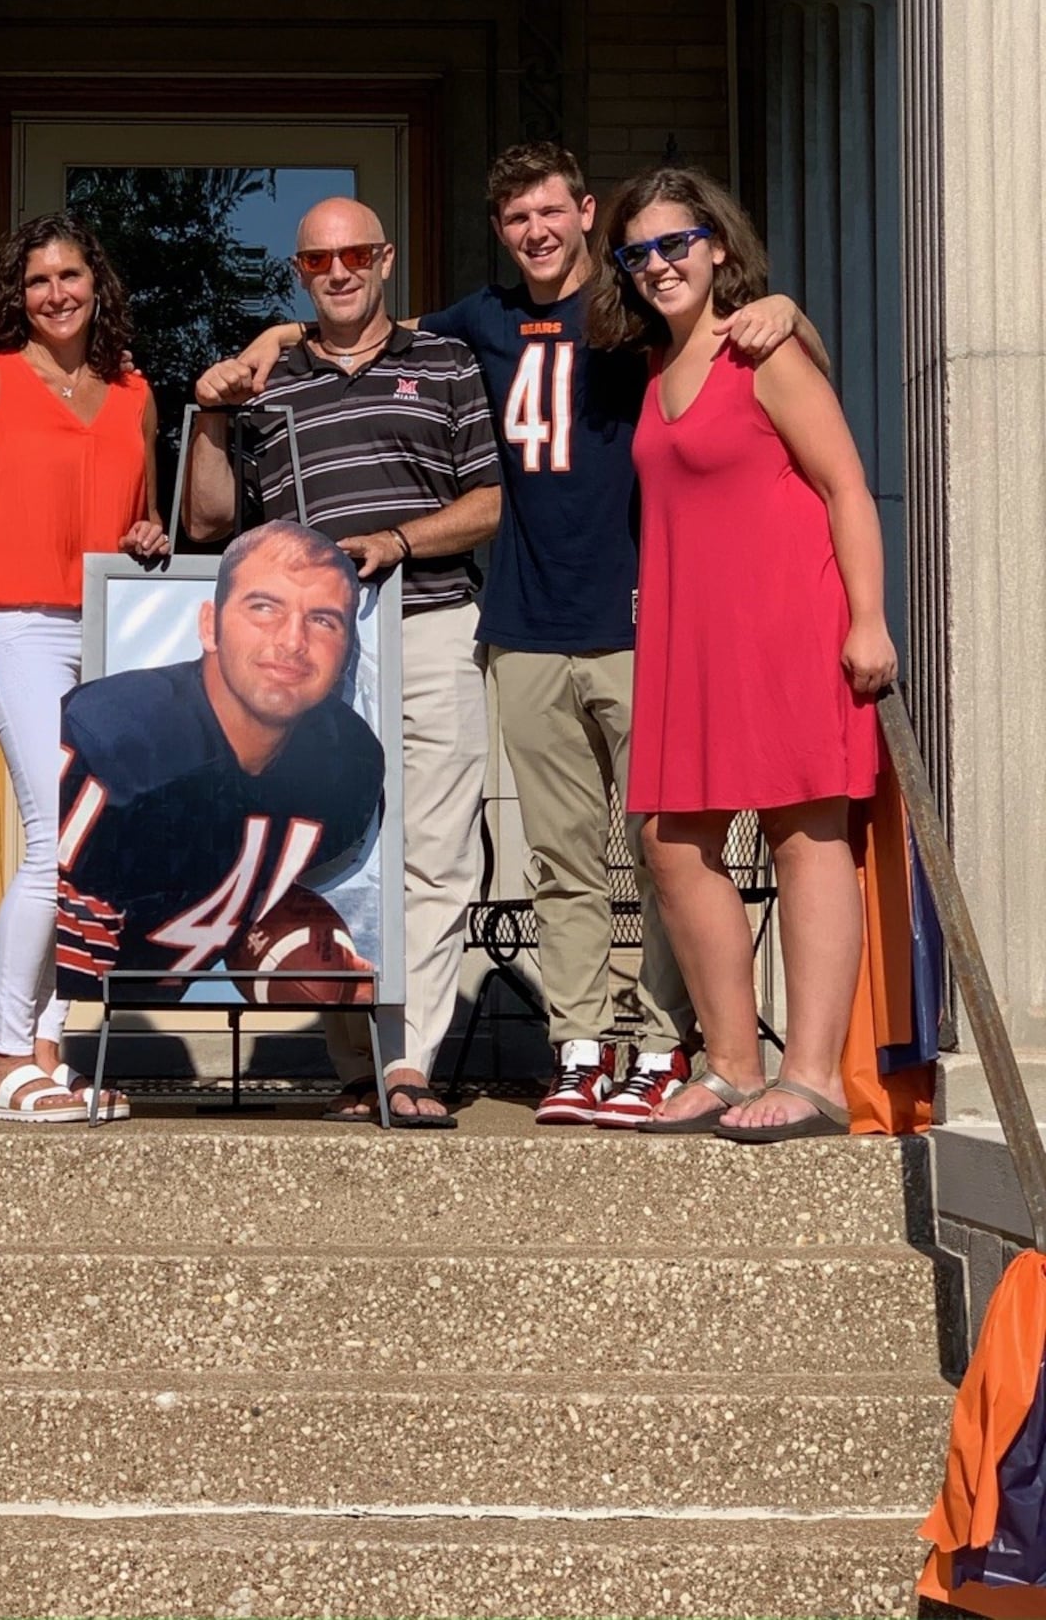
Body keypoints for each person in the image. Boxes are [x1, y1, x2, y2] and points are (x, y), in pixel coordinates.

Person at [231, 144, 822, 1128]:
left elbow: (729, 329)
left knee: (670, 845)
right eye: (515, 220)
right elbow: (370, 323)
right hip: (525, 623)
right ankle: (584, 1042)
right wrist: (278, 334)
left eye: (551, 212)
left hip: (643, 615)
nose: (536, 233)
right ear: (499, 230)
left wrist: (785, 308)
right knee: (559, 854)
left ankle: (670, 1040)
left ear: (586, 211)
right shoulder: (482, 320)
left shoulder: (638, 312)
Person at [589, 166, 896, 1140]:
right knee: (671, 842)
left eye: (674, 243)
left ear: (717, 244)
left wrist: (868, 619)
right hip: (688, 640)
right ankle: (729, 1063)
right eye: (636, 252)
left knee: (806, 834)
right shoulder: (648, 367)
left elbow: (846, 485)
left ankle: (810, 1078)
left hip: (789, 623)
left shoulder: (764, 347)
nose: (656, 265)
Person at [185, 201, 501, 1128]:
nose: (339, 270)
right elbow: (208, 521)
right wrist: (210, 414)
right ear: (299, 270)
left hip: (434, 623)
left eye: (356, 252)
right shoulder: (267, 377)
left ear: (386, 257)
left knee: (434, 854)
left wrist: (400, 538)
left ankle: (408, 1060)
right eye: (320, 257)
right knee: (315, 850)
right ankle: (355, 1056)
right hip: (304, 646)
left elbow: (487, 503)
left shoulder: (443, 361)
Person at [0, 214, 169, 1123]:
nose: (56, 292)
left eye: (71, 275)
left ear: (97, 286)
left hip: (111, 625)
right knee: (52, 834)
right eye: (38, 280)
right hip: (19, 621)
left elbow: (139, 515)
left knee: (94, 844)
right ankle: (2, 1057)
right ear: (16, 295)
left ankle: (50, 1051)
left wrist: (149, 533)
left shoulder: (134, 393)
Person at [57, 520, 385, 1018]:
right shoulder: (109, 738)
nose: (293, 640)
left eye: (323, 620)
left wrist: (297, 956)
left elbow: (232, 879)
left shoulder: (349, 765)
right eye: (264, 607)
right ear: (208, 625)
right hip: (78, 1017)